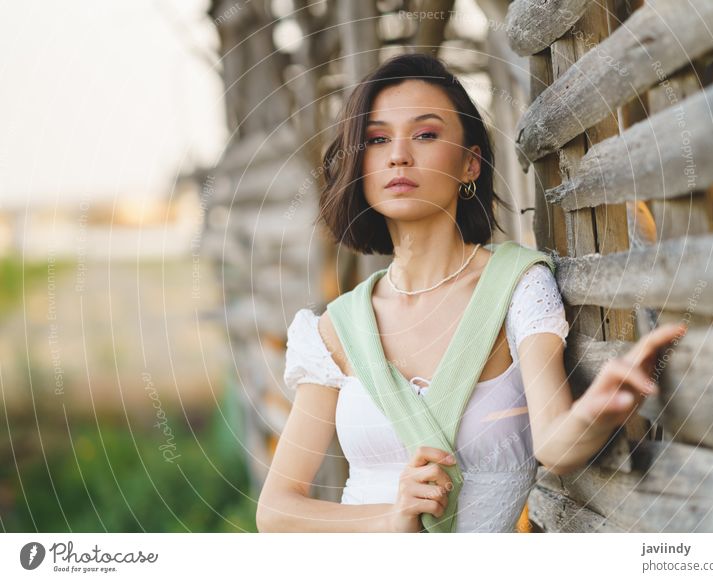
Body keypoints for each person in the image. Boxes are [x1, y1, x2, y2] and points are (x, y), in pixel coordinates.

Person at [256, 52, 686, 533]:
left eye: (425, 134)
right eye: (377, 140)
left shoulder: (516, 286)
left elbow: (554, 444)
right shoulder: (338, 327)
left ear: (470, 164)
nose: (398, 154)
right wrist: (389, 519)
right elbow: (276, 511)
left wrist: (599, 409)